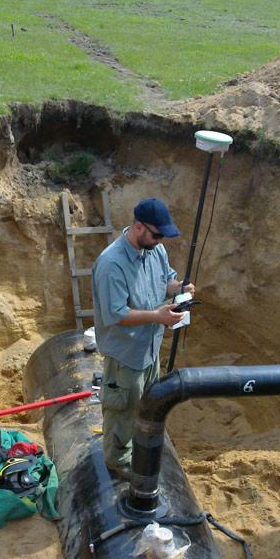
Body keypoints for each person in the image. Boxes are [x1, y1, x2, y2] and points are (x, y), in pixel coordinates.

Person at [92, 198, 195, 481]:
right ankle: (116, 461)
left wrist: (180, 289)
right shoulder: (112, 263)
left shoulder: (155, 250)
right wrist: (157, 316)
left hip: (149, 349)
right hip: (125, 355)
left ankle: (138, 446)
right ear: (138, 227)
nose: (161, 240)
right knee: (122, 410)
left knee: (145, 405)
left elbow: (165, 282)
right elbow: (116, 314)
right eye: (157, 234)